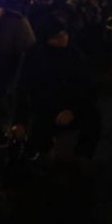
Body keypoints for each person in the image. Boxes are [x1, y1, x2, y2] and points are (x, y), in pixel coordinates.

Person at [16, 16, 100, 167]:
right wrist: (20, 121)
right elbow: (23, 88)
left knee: (93, 117)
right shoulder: (34, 56)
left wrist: (72, 109)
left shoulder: (75, 54)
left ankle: (81, 158)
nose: (63, 40)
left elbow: (87, 87)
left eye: (64, 34)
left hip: (72, 105)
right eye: (56, 37)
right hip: (43, 106)